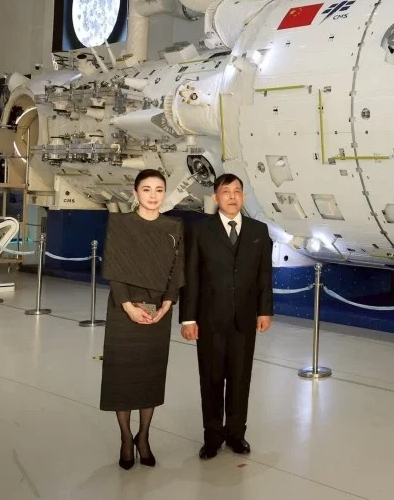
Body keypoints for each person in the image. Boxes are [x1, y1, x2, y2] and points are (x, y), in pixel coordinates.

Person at [180, 173, 273, 459]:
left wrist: (264, 310)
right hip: (209, 321)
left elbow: (264, 275)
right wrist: (188, 318)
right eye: (226, 191)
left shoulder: (259, 231)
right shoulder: (199, 230)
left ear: (243, 196)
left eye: (237, 191)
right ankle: (212, 437)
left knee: (240, 379)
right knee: (210, 379)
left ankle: (236, 434)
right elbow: (191, 276)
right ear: (215, 197)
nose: (232, 196)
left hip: (244, 320)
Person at [99, 169, 185, 470]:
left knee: (150, 377)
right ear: (135, 193)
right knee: (121, 377)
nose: (153, 195)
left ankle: (144, 436)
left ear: (164, 194)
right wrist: (128, 306)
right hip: (123, 311)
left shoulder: (174, 226)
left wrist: (167, 304)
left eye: (159, 190)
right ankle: (126, 437)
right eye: (146, 189)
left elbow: (177, 270)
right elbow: (114, 268)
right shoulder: (121, 224)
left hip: (158, 312)